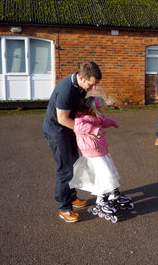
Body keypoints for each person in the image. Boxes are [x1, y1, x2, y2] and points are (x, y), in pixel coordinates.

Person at [43, 61, 102, 223]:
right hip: (56, 130)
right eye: (91, 84)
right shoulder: (66, 90)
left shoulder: (80, 87)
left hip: (68, 129)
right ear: (81, 78)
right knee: (65, 169)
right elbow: (62, 119)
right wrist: (87, 131)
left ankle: (72, 197)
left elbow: (75, 111)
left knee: (74, 164)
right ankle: (64, 207)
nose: (93, 88)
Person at [69, 96, 132, 220]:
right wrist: (94, 130)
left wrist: (113, 122)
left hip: (101, 151)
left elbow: (104, 121)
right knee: (104, 175)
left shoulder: (95, 118)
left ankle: (114, 194)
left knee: (110, 171)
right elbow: (78, 127)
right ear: (94, 109)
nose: (104, 108)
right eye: (102, 106)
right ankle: (101, 200)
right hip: (93, 153)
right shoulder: (81, 120)